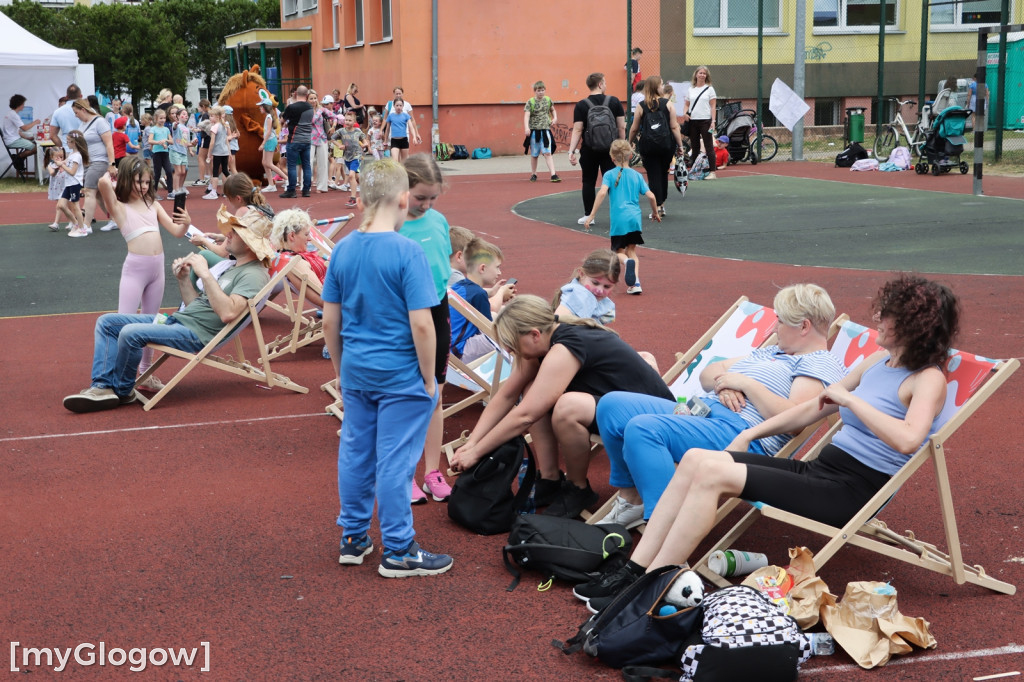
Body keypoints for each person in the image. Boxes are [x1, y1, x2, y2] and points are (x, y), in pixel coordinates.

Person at [576, 275, 959, 608]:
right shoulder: (877, 361)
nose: (878, 317)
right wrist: (749, 433)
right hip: (820, 470)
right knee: (696, 459)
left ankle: (655, 582)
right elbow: (812, 409)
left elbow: (909, 440)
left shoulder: (927, 379)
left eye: (887, 314)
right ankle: (634, 570)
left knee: (711, 473)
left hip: (852, 491)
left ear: (911, 325)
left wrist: (851, 399)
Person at [589, 283, 847, 530]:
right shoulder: (773, 352)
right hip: (704, 413)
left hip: (741, 433)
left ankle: (663, 524)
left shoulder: (818, 362)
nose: (775, 327)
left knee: (644, 429)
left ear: (804, 326)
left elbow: (793, 419)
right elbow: (709, 373)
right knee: (612, 405)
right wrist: (726, 385)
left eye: (780, 320)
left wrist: (746, 383)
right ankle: (632, 499)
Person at [322, 157, 453, 578]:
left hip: (358, 370)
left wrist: (343, 370)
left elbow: (329, 320)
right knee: (396, 461)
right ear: (401, 199)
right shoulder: (407, 251)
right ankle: (398, 548)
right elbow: (422, 323)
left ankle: (354, 536)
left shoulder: (341, 248)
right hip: (400, 375)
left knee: (356, 453)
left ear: (361, 198)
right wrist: (429, 376)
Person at [450, 294, 675, 518]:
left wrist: (478, 452)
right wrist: (471, 444)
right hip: (616, 409)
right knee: (531, 390)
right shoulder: (543, 338)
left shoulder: (567, 345)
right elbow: (506, 396)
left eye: (510, 344)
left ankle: (577, 488)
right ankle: (549, 480)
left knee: (567, 408)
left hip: (656, 419)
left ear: (534, 334)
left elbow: (526, 415)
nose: (508, 351)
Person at [62, 208, 274, 413]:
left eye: (235, 232)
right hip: (181, 322)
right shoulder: (232, 267)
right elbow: (195, 307)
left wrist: (205, 275)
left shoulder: (253, 275)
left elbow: (228, 313)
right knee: (107, 322)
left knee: (130, 332)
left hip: (196, 335)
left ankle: (122, 391)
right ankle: (101, 387)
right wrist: (183, 280)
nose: (228, 233)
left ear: (248, 243)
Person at [95, 156, 189, 390]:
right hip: (134, 271)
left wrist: (186, 223)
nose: (144, 187)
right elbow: (103, 183)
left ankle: (146, 371)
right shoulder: (119, 207)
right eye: (139, 181)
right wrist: (116, 172)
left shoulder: (153, 205)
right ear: (126, 180)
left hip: (158, 270)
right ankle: (114, 376)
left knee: (151, 322)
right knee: (122, 324)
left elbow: (177, 232)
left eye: (147, 182)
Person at [398, 154, 454, 504]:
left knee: (434, 396)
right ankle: (403, 474)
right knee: (405, 398)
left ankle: (432, 471)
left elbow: (443, 268)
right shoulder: (392, 225)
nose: (427, 205)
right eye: (420, 198)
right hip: (401, 317)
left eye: (432, 198)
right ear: (403, 189)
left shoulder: (439, 220)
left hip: (437, 312)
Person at [583, 140, 660, 295]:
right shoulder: (637, 175)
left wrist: (591, 215)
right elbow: (651, 196)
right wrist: (655, 212)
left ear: (612, 158)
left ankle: (626, 262)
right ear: (631, 156)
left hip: (619, 220)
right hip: (635, 218)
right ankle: (635, 284)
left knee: (618, 252)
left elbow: (603, 192)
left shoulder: (609, 175)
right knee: (632, 250)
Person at [567, 73, 627, 226]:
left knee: (588, 181)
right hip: (611, 150)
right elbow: (621, 126)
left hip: (589, 149)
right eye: (605, 82)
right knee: (614, 181)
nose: (606, 85)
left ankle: (589, 216)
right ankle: (619, 214)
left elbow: (578, 130)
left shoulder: (581, 105)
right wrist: (622, 146)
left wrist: (571, 151)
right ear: (600, 84)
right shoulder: (614, 101)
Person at [449, 239, 514, 364]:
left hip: (447, 346)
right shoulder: (479, 294)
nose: (499, 273)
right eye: (497, 267)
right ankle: (511, 367)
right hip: (458, 351)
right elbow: (488, 329)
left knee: (499, 314)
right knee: (508, 333)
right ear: (482, 268)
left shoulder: (459, 285)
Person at [627, 76, 684, 218]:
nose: (663, 86)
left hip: (648, 144)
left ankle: (657, 205)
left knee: (653, 175)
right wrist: (680, 145)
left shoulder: (641, 105)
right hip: (666, 144)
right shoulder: (668, 104)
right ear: (657, 87)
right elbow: (674, 126)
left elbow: (634, 128)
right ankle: (662, 204)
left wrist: (629, 142)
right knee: (664, 173)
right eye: (662, 84)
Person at [71, 98, 116, 234]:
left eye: (76, 112)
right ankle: (115, 219)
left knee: (90, 191)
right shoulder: (83, 124)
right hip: (88, 162)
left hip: (100, 161)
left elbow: (109, 144)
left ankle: (86, 226)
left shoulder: (100, 122)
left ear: (83, 110)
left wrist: (112, 164)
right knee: (98, 195)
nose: (75, 115)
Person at [269, 208, 327, 308]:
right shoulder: (296, 263)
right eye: (306, 234)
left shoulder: (285, 257)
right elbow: (324, 299)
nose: (309, 238)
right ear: (292, 235)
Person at [552, 248, 620, 325]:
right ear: (582, 274)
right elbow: (557, 322)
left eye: (607, 286)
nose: (600, 290)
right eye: (595, 283)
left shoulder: (603, 302)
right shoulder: (578, 294)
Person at [681, 66, 718, 180]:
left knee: (709, 146)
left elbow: (713, 106)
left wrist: (713, 121)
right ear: (696, 75)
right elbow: (686, 104)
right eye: (700, 73)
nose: (702, 75)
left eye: (704, 73)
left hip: (706, 121)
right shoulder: (691, 89)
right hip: (693, 121)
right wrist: (685, 113)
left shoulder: (710, 89)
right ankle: (693, 171)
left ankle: (712, 172)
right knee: (695, 147)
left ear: (706, 76)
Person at [280, 84, 314, 199]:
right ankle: (306, 190)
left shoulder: (292, 107)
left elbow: (282, 120)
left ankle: (291, 190)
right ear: (307, 95)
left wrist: (286, 123)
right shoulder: (310, 108)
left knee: (292, 166)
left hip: (294, 139)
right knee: (306, 165)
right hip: (307, 140)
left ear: (295, 94)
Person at [524, 81, 560, 183]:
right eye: (539, 90)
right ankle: (534, 174)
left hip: (545, 130)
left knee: (547, 153)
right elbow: (526, 115)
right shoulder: (530, 102)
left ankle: (553, 174)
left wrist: (555, 117)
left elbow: (553, 110)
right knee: (534, 154)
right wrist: (526, 128)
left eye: (542, 90)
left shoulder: (548, 100)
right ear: (535, 91)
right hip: (534, 131)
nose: (541, 92)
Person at [47, 140, 85, 233]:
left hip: (73, 183)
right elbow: (56, 169)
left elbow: (72, 172)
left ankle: (82, 228)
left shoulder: (77, 156)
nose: (66, 143)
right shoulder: (71, 154)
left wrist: (61, 165)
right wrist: (60, 164)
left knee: (75, 206)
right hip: (68, 184)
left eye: (68, 141)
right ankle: (75, 223)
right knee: (61, 205)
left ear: (74, 143)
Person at [333, 111, 368, 208]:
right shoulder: (341, 131)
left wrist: (365, 144)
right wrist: (339, 145)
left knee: (351, 176)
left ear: (354, 121)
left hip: (357, 156)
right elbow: (332, 138)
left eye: (350, 120)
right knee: (357, 177)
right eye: (346, 120)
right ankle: (367, 189)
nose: (347, 122)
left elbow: (364, 140)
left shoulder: (358, 131)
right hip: (347, 157)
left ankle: (353, 199)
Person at [257, 94, 288, 192]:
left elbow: (269, 132)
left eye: (261, 106)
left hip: (269, 141)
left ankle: (287, 179)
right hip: (270, 140)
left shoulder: (269, 117)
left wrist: (263, 143)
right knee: (264, 162)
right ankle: (271, 184)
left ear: (265, 107)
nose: (260, 108)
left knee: (269, 163)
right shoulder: (268, 117)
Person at [203, 106, 230, 201]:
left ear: (217, 117)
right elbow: (226, 139)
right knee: (225, 171)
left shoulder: (214, 127)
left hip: (218, 152)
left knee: (215, 172)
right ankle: (233, 188)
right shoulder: (224, 126)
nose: (210, 118)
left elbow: (212, 142)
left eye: (211, 116)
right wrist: (229, 151)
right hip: (224, 151)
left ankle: (213, 192)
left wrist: (209, 154)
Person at [309, 91, 335, 193]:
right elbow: (312, 121)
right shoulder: (306, 110)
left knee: (323, 163)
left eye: (315, 98)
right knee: (308, 162)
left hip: (322, 137)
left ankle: (322, 186)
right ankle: (306, 185)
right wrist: (319, 111)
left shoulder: (322, 109)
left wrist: (333, 127)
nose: (313, 100)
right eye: (311, 98)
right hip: (310, 138)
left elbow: (335, 116)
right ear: (307, 99)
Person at [3, 95, 40, 164]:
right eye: (23, 104)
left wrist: (27, 138)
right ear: (18, 104)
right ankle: (18, 157)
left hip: (12, 139)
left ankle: (19, 158)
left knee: (34, 144)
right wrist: (35, 122)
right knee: (37, 148)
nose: (23, 106)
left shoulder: (10, 113)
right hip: (13, 141)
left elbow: (18, 131)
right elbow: (25, 128)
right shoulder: (14, 115)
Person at [148, 109, 173, 201]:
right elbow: (150, 140)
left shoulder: (166, 129)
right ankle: (153, 193)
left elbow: (172, 141)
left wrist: (166, 141)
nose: (163, 120)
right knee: (157, 173)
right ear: (156, 118)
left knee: (169, 171)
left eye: (164, 118)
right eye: (160, 118)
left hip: (165, 153)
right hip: (157, 154)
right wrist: (159, 142)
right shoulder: (153, 129)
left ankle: (170, 192)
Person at [49, 84, 83, 151]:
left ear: (66, 97)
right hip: (85, 150)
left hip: (67, 149)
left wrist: (62, 147)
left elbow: (52, 135)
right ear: (81, 96)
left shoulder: (58, 112)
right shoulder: (89, 110)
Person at [382, 98, 415, 163]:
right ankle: (397, 173)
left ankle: (404, 173)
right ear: (394, 106)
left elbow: (411, 127)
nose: (399, 107)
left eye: (400, 105)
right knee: (395, 161)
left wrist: (414, 136)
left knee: (404, 161)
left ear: (403, 106)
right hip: (394, 141)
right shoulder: (390, 116)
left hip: (404, 140)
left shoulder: (406, 116)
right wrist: (385, 141)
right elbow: (387, 129)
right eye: (397, 105)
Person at [169, 107, 193, 198]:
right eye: (183, 114)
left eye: (186, 115)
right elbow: (174, 127)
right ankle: (175, 191)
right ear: (178, 116)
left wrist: (192, 145)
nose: (185, 116)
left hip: (183, 152)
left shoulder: (187, 129)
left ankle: (180, 188)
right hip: (175, 151)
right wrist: (175, 123)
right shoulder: (176, 125)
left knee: (183, 171)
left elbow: (186, 142)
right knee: (178, 171)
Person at [191, 99, 212, 187]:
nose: (198, 108)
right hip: (209, 137)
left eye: (199, 107)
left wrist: (197, 129)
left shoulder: (205, 115)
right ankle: (207, 177)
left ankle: (202, 179)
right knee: (207, 158)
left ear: (203, 107)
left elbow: (205, 127)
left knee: (201, 158)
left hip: (205, 137)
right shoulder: (210, 113)